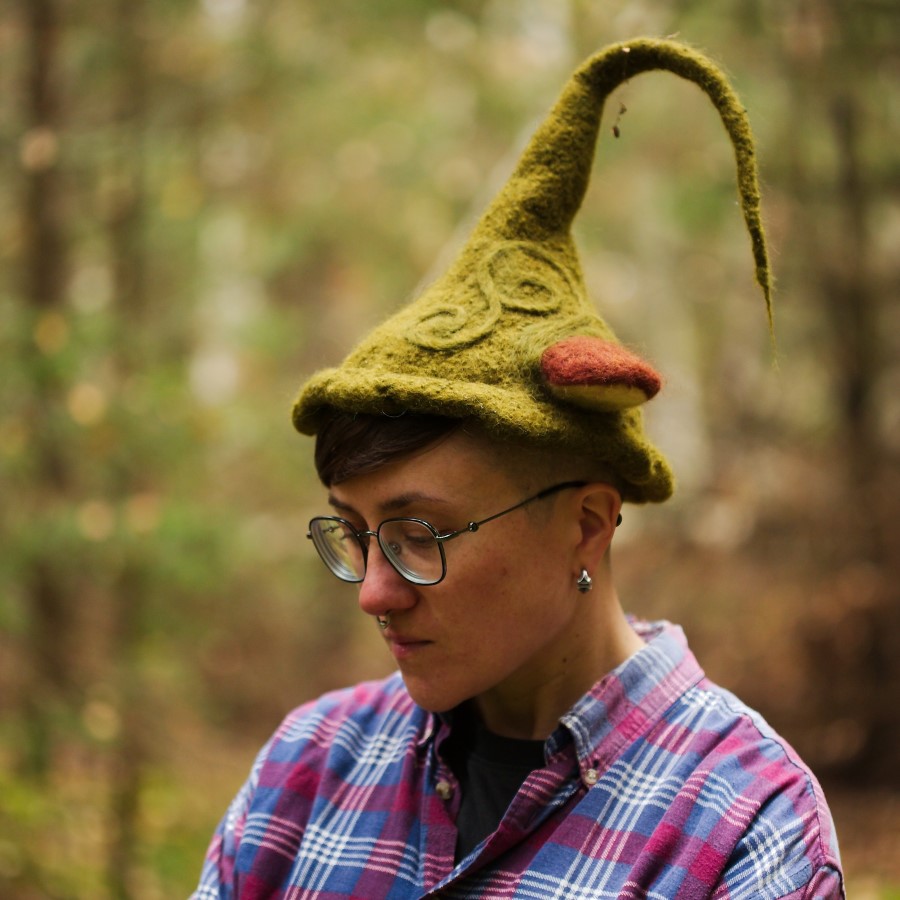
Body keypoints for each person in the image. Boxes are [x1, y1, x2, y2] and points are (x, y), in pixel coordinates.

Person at [193, 38, 844, 898]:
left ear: (586, 522)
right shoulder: (307, 774)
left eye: (419, 533)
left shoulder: (741, 826)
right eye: (352, 535)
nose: (373, 593)